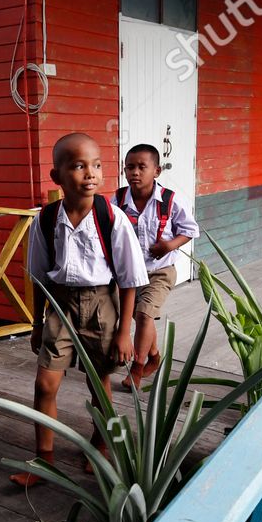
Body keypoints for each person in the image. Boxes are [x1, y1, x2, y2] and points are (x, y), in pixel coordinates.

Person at [14, 132, 148, 486]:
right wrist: (37, 322)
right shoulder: (46, 219)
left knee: (98, 382)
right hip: (58, 305)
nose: (90, 173)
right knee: (45, 384)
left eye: (97, 165)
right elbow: (39, 276)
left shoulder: (112, 218)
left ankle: (101, 444)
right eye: (78, 166)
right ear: (56, 176)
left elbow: (130, 279)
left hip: (101, 306)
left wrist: (124, 332)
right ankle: (45, 460)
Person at [114, 143, 200, 387]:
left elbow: (190, 230)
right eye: (130, 167)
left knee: (143, 314)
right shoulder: (119, 199)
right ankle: (153, 356)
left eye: (142, 167)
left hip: (160, 271)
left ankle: (137, 368)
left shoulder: (170, 200)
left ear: (157, 171)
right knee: (143, 316)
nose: (135, 172)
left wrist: (169, 246)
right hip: (130, 273)